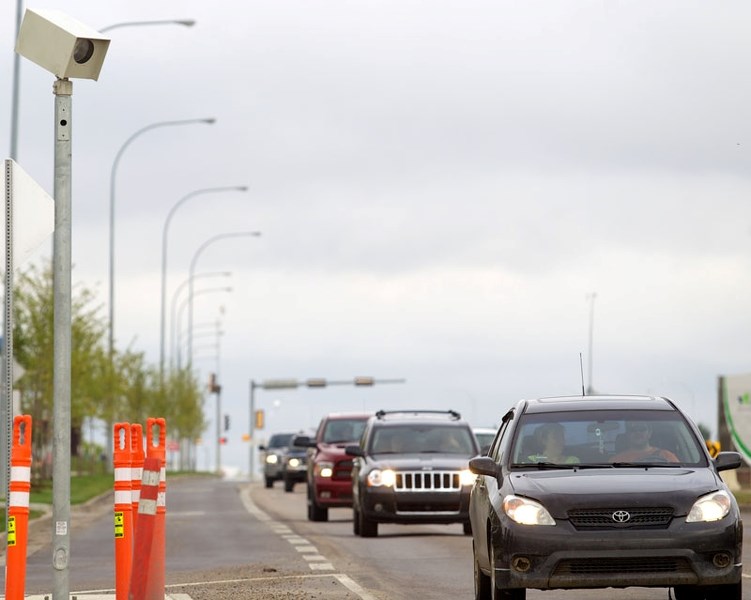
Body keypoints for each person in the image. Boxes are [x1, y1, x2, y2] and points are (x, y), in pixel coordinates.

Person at [611, 422, 679, 462]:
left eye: (642, 429)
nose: (638, 432)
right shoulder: (617, 460)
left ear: (650, 433)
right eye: (633, 430)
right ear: (628, 434)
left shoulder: (666, 456)